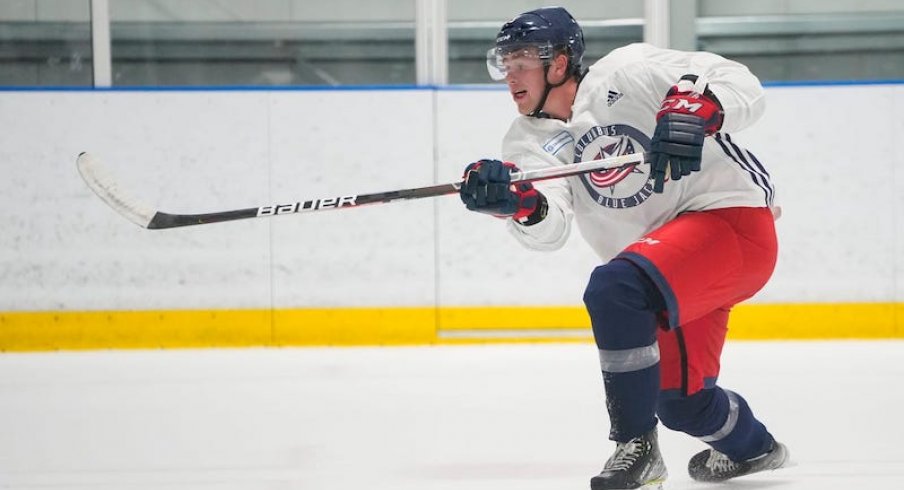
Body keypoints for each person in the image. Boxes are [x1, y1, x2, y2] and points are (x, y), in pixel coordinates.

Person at [458, 6, 789, 490]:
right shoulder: (529, 140)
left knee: (613, 287)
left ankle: (635, 447)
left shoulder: (628, 72)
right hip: (667, 267)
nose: (510, 75)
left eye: (522, 61)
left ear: (559, 63)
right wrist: (518, 203)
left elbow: (738, 82)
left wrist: (700, 106)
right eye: (504, 64)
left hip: (731, 226)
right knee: (682, 403)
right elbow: (550, 229)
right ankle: (755, 449)